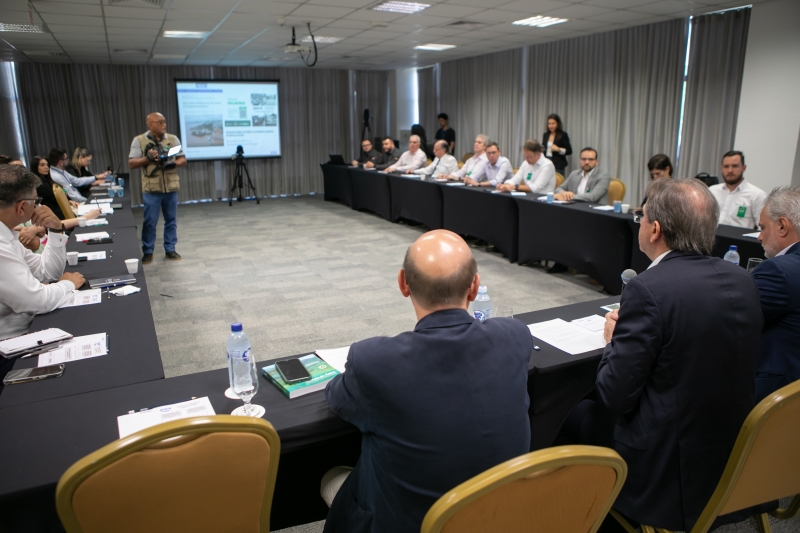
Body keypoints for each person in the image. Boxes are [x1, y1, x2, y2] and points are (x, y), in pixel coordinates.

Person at [321, 229, 533, 533]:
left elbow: (337, 399)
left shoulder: (373, 360)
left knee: (331, 476)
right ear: (474, 287)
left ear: (403, 284)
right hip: (496, 519)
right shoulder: (515, 337)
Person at [594, 178, 762, 532]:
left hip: (666, 471)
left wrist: (612, 340)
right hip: (732, 452)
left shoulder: (647, 289)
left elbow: (614, 395)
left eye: (641, 218)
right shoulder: (743, 280)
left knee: (576, 416)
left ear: (655, 229)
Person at [0, 164, 86, 340]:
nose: (38, 206)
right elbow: (35, 301)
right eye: (36, 201)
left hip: (25, 329)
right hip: (10, 347)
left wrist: (55, 229)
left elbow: (47, 272)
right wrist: (68, 284)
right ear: (22, 207)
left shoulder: (7, 233)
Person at [752, 186, 800, 401]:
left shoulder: (779, 271)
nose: (759, 237)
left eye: (762, 227)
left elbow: (732, 317)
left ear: (782, 225)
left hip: (774, 395)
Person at [128, 112, 187, 264]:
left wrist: (174, 163)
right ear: (150, 124)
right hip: (151, 189)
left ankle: (170, 249)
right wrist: (146, 159)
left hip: (171, 187)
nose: (164, 124)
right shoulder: (139, 140)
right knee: (149, 221)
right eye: (160, 122)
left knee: (171, 221)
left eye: (164, 121)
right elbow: (132, 163)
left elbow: (182, 159)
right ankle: (148, 251)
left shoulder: (172, 139)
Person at [31, 156, 100, 226]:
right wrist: (66, 197)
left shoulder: (48, 180)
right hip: (56, 214)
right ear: (35, 167)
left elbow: (63, 191)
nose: (46, 167)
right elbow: (56, 196)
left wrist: (69, 200)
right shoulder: (38, 184)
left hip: (62, 209)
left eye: (47, 165)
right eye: (42, 165)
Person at [709, 151, 766, 229]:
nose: (730, 170)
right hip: (711, 239)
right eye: (726, 166)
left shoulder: (757, 195)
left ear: (743, 168)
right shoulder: (712, 191)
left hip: (739, 240)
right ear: (721, 168)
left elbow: (762, 229)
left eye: (735, 166)